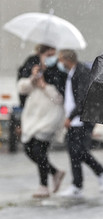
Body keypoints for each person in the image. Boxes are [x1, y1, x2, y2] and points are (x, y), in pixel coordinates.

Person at [57, 50, 103, 198]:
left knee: (79, 151)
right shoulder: (71, 73)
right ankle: (77, 186)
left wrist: (70, 116)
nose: (59, 63)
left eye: (60, 59)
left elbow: (82, 98)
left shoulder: (81, 72)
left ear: (67, 59)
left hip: (82, 119)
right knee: (73, 151)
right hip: (75, 121)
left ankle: (102, 172)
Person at [17, 45, 67, 198]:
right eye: (48, 54)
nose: (50, 57)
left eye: (53, 54)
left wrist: (44, 86)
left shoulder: (59, 71)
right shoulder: (32, 65)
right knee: (28, 148)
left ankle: (43, 185)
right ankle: (55, 172)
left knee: (39, 149)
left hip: (50, 117)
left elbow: (59, 97)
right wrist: (33, 78)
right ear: (40, 54)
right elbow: (21, 88)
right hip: (33, 116)